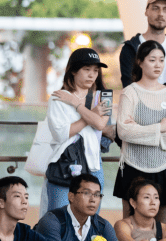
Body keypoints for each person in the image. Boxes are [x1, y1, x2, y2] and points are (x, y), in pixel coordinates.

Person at [114, 40, 166, 223]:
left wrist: (142, 132)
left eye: (161, 60)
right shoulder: (130, 92)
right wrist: (159, 128)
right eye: (152, 60)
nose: (158, 64)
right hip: (132, 166)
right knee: (130, 229)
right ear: (140, 62)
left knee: (161, 230)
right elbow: (124, 131)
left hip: (165, 167)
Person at [45, 48, 115, 212]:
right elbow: (61, 133)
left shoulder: (105, 96)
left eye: (95, 70)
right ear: (73, 71)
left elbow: (99, 124)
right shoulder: (58, 97)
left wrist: (76, 104)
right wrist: (88, 114)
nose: (92, 75)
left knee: (90, 220)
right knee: (58, 218)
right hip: (65, 165)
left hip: (94, 166)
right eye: (86, 69)